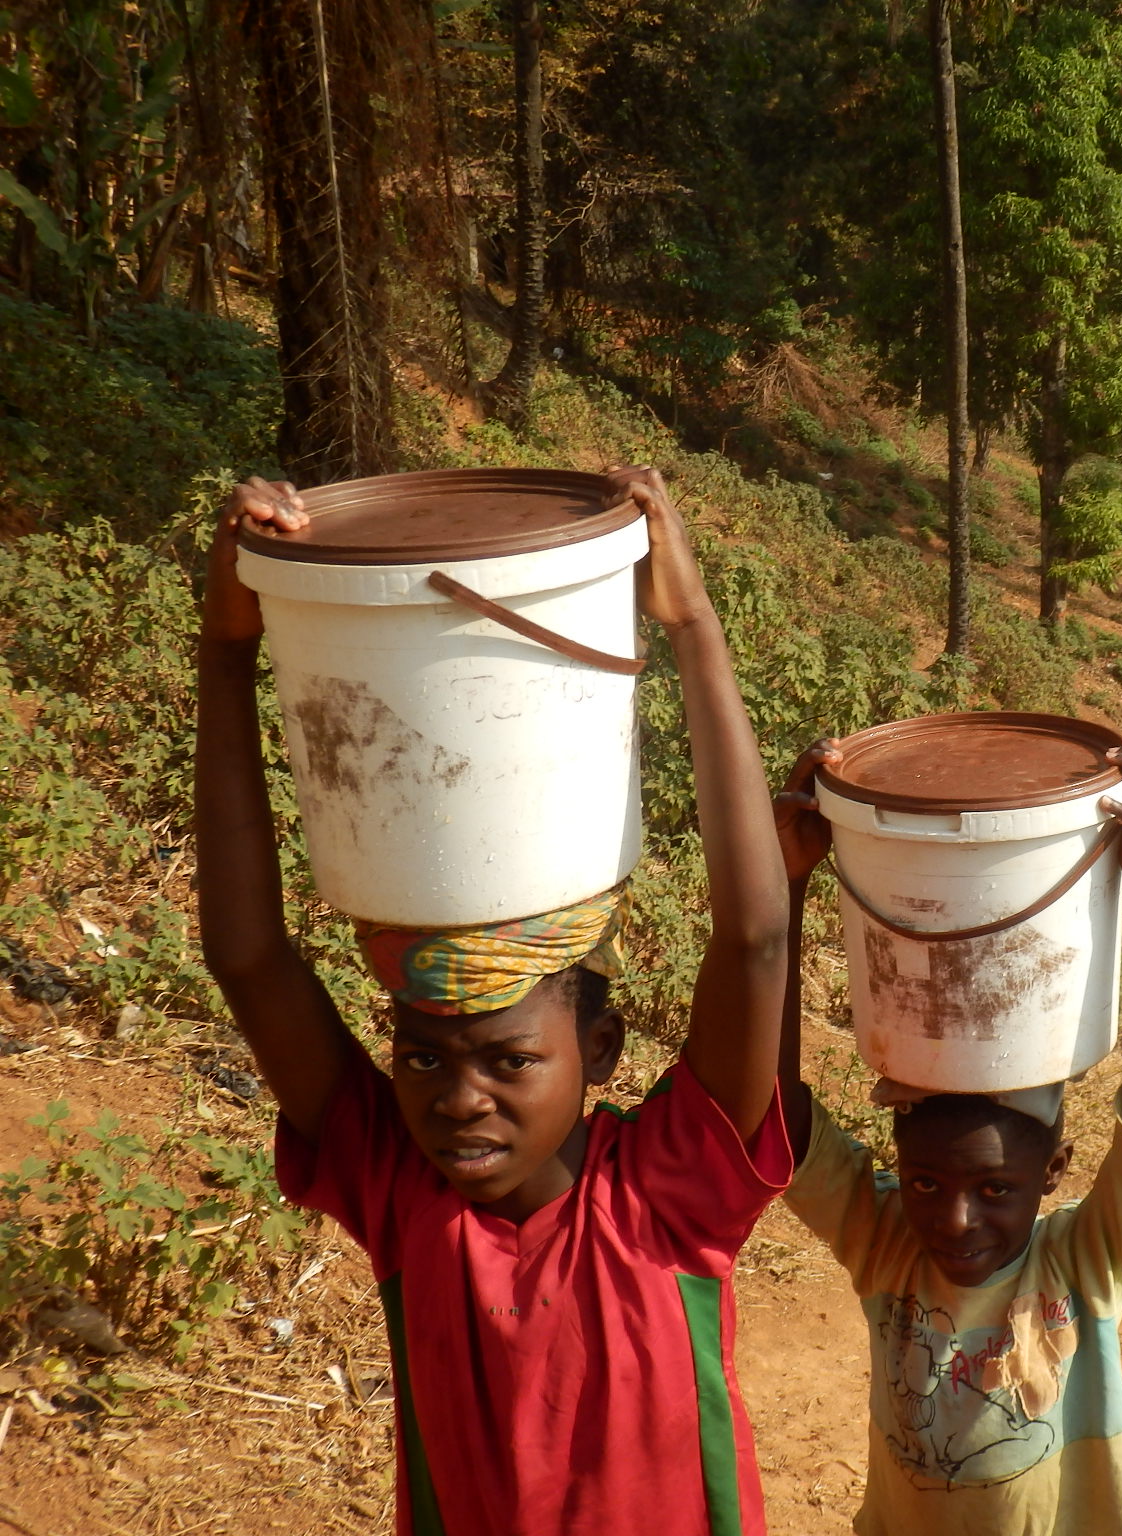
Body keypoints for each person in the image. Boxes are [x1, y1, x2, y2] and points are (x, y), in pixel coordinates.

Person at [196, 470, 792, 1536]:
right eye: (421, 1058)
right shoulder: (401, 1194)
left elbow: (751, 942)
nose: (457, 1099)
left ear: (598, 1048)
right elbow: (250, 960)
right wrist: (230, 648)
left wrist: (689, 622)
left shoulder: (664, 1200)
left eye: (509, 1061)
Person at [773, 742, 1122, 1536]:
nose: (954, 1220)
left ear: (1054, 1172)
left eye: (995, 1189)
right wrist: (788, 887)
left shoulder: (1082, 1265)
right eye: (925, 1182)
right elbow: (775, 1110)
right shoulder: (884, 1244)